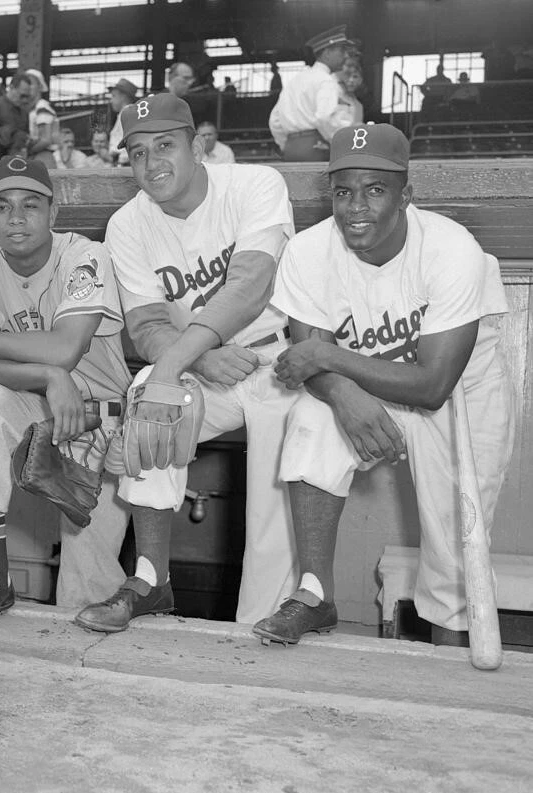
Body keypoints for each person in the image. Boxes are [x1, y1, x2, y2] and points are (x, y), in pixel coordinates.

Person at [253, 124, 515, 648]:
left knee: (454, 547)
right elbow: (308, 367)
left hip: (461, 397)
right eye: (343, 191)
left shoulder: (450, 249)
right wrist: (344, 394)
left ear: (406, 195)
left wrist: (328, 357)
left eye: (375, 190)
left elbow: (433, 384)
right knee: (311, 420)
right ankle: (314, 595)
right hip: (366, 385)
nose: (356, 207)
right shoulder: (309, 250)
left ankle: (448, 673)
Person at [72, 93, 299, 634]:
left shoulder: (253, 184)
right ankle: (151, 579)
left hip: (277, 356)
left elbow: (250, 286)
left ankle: (261, 625)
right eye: (138, 153)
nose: (153, 164)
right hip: (205, 366)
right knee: (149, 398)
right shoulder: (128, 223)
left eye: (166, 146)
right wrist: (193, 362)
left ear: (198, 145)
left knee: (273, 496)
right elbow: (147, 326)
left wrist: (178, 363)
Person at [0, 155, 132, 624]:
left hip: (100, 420)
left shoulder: (84, 255)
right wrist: (46, 377)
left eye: (30, 205)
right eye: (2, 206)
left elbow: (64, 349)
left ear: (53, 213)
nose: (16, 218)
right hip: (32, 403)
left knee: (87, 592)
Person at [268, 25, 357, 161]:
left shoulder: (296, 79)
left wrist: (286, 145)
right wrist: (339, 145)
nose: (345, 56)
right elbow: (324, 117)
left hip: (291, 149)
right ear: (327, 52)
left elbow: (274, 120)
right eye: (341, 50)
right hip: (318, 148)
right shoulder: (326, 80)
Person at [25, 69, 60, 168]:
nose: (27, 87)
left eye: (30, 83)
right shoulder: (35, 108)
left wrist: (27, 151)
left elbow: (45, 140)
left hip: (43, 156)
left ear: (40, 86)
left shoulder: (42, 107)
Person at [107, 78, 138, 166]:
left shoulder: (128, 112)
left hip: (124, 164)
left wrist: (121, 160)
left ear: (123, 97)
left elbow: (131, 141)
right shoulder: (125, 113)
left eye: (114, 96)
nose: (111, 100)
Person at [332, 59, 364, 127]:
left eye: (355, 76)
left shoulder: (358, 105)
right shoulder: (332, 95)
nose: (351, 80)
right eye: (347, 75)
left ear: (360, 80)